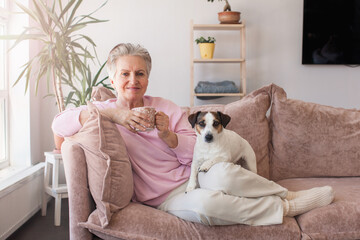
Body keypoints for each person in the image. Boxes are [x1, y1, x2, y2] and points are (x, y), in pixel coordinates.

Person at [52, 43, 334, 226]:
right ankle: (284, 208)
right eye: (124, 74)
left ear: (147, 79)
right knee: (209, 206)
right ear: (112, 79)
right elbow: (59, 124)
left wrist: (169, 136)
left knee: (225, 173)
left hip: (194, 176)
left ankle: (286, 193)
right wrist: (117, 115)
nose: (132, 80)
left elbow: (198, 153)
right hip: (162, 197)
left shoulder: (165, 108)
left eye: (140, 74)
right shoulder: (101, 112)